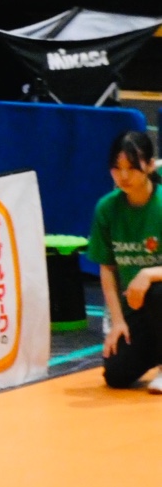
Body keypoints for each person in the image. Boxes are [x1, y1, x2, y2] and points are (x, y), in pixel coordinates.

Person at [86, 130, 162, 393]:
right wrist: (118, 322)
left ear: (149, 165)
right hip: (138, 311)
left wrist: (149, 274)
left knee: (157, 291)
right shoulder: (106, 208)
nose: (124, 176)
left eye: (132, 168)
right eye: (117, 168)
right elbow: (107, 268)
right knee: (117, 373)